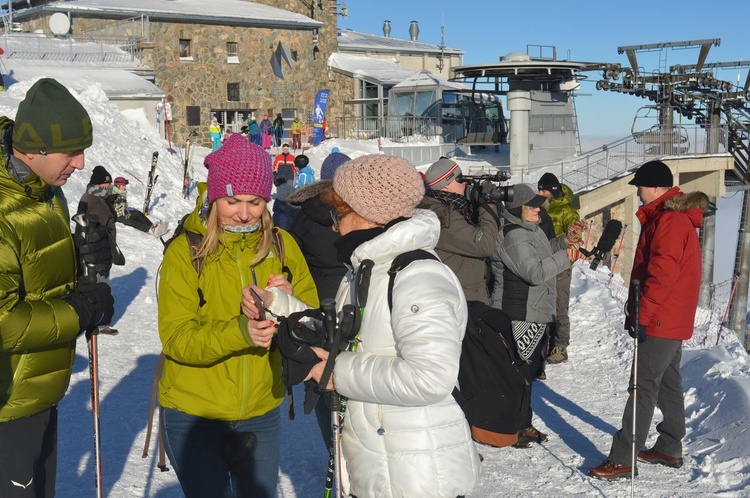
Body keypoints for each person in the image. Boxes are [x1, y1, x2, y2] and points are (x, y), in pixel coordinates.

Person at [244, 154, 481, 498]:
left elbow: (430, 377)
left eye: (339, 215)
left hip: (418, 477)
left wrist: (334, 371)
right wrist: (277, 303)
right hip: (378, 468)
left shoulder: (419, 276)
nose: (335, 227)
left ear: (373, 213)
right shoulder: (367, 270)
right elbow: (341, 332)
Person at [157, 133, 319, 497]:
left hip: (261, 410)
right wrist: (241, 332)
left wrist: (288, 304)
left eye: (256, 201)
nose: (244, 213)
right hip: (194, 412)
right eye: (232, 201)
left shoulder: (281, 244)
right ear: (215, 198)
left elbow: (313, 324)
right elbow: (177, 339)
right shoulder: (187, 252)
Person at [0, 77, 114, 497]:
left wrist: (84, 262)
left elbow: (36, 271)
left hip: (38, 389)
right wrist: (81, 310)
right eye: (72, 153)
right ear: (33, 152)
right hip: (7, 401)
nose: (82, 164)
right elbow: (5, 322)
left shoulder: (44, 190)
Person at [589, 160, 708, 480]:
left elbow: (661, 275)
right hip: (670, 317)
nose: (638, 193)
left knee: (641, 386)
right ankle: (670, 445)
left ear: (655, 187)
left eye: (640, 187)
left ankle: (623, 457)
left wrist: (645, 314)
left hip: (660, 318)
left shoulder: (668, 221)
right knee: (668, 380)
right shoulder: (670, 218)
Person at [490, 184, 584, 448]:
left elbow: (542, 253)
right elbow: (533, 272)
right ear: (518, 209)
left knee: (526, 374)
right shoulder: (515, 236)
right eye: (532, 206)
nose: (538, 209)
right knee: (518, 375)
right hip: (519, 312)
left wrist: (564, 241)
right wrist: (567, 257)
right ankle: (512, 428)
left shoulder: (529, 230)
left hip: (533, 311)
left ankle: (522, 424)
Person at [286, 150, 351, 447]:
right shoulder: (357, 211)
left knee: (321, 376)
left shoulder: (304, 216)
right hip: (353, 299)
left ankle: (332, 445)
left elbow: (292, 261)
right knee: (351, 372)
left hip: (317, 303)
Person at [418, 157, 499, 303]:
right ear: (446, 185)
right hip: (462, 297)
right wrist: (486, 204)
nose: (466, 182)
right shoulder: (443, 217)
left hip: (468, 291)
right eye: (460, 179)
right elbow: (484, 244)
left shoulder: (455, 206)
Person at [537, 172, 581, 364]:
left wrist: (566, 261)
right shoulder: (538, 207)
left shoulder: (567, 211)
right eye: (539, 188)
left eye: (544, 189)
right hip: (541, 264)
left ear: (553, 191)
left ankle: (560, 346)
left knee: (559, 306)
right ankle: (544, 344)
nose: (540, 192)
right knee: (542, 305)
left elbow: (575, 240)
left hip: (561, 266)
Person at [75, 165, 126, 280]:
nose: (110, 186)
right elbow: (101, 232)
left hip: (93, 255)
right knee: (100, 289)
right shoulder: (95, 201)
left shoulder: (93, 196)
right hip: (97, 257)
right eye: (107, 184)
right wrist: (115, 255)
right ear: (98, 185)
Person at [272, 144, 297, 230]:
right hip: (281, 176)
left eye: (287, 149)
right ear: (282, 150)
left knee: (290, 190)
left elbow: (295, 167)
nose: (285, 150)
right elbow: (275, 166)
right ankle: (281, 201)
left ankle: (289, 203)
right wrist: (275, 172)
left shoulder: (292, 157)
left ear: (289, 150)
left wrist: (297, 171)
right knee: (281, 190)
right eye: (284, 149)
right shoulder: (278, 157)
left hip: (289, 176)